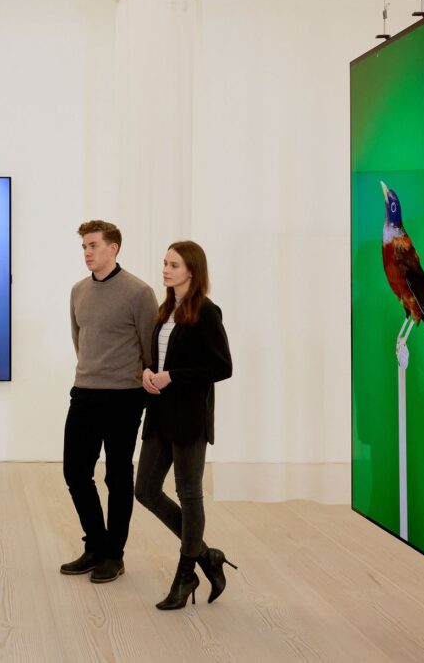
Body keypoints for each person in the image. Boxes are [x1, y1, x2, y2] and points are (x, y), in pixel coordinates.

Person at [136, 240, 235, 610]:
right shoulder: (165, 311)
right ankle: (206, 555)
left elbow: (222, 367)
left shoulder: (206, 312)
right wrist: (148, 372)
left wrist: (172, 377)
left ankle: (185, 572)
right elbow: (158, 358)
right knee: (145, 489)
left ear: (192, 271)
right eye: (164, 263)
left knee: (188, 493)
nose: (165, 269)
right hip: (160, 414)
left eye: (173, 265)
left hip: (190, 417)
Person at [60, 220, 158, 583]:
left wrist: (142, 387)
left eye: (93, 245)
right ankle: (95, 544)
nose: (87, 252)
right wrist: (91, 374)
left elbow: (151, 348)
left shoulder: (139, 292)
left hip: (124, 397)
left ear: (113, 248)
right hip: (85, 392)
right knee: (75, 472)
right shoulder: (78, 291)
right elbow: (80, 340)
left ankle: (113, 555)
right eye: (84, 246)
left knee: (117, 477)